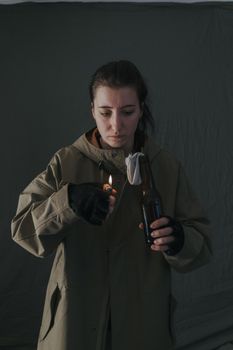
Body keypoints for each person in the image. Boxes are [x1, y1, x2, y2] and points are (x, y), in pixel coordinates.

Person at [11, 60, 211, 350]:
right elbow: (23, 230)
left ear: (141, 109)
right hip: (75, 320)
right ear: (92, 110)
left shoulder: (166, 167)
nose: (116, 125)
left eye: (127, 112)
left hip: (143, 322)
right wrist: (67, 201)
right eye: (105, 112)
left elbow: (201, 243)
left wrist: (179, 239)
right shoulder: (66, 162)